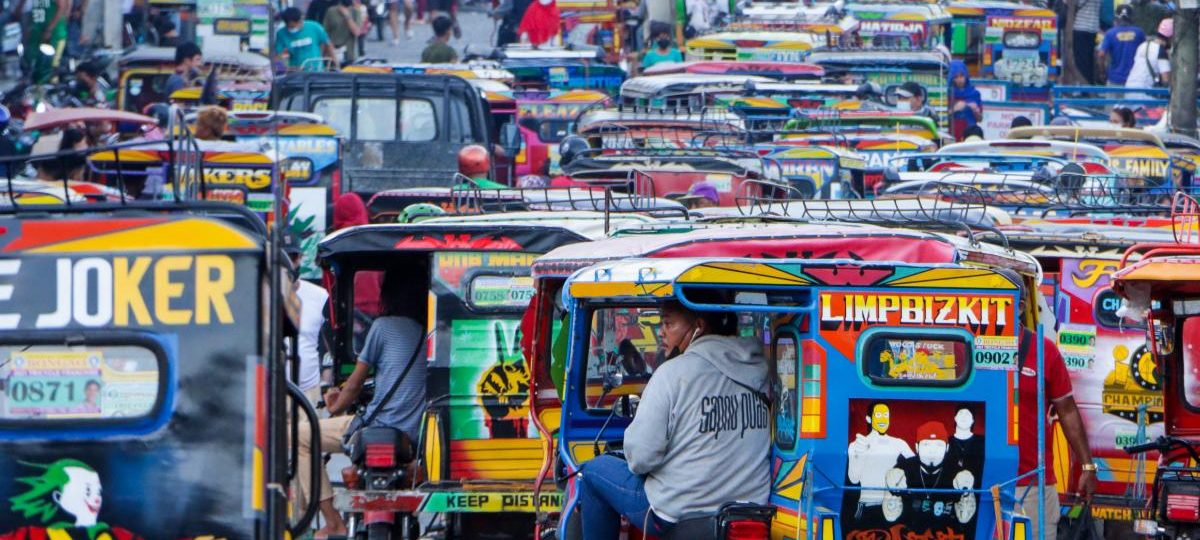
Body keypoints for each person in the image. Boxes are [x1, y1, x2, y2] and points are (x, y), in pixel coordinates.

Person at [576, 297, 770, 539]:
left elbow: (641, 458)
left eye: (668, 324)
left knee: (593, 472)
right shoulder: (761, 370)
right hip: (749, 509)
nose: (661, 332)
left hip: (677, 513)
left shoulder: (672, 373)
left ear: (698, 326)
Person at [297, 272, 427, 539]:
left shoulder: (382, 327)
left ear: (388, 296)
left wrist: (335, 406)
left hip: (378, 427)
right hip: (414, 435)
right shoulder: (431, 333)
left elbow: (355, 384)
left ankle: (333, 523)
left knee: (298, 437)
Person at [1016, 325, 1095, 539]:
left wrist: (1088, 467)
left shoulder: (1044, 350)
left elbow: (1068, 410)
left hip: (1031, 484)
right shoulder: (970, 343)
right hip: (978, 481)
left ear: (1020, 306)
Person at [846, 402, 915, 521]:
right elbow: (854, 478)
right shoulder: (856, 445)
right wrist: (859, 455)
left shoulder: (899, 443)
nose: (883, 419)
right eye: (878, 415)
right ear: (868, 419)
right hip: (867, 507)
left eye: (886, 415)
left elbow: (916, 466)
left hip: (892, 507)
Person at [286, 233, 327, 406]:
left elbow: (329, 344)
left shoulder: (319, 296)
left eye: (292, 257)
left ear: (300, 258)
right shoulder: (262, 292)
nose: (288, 263)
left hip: (309, 392)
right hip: (271, 391)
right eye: (283, 257)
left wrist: (326, 380)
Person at [18, 0, 70, 84]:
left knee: (51, 68)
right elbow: (34, 11)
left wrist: (49, 29)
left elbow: (62, 7)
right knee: (35, 69)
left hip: (54, 35)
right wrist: (29, 27)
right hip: (36, 34)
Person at [274, 7, 338, 72]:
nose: (296, 28)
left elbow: (329, 45)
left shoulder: (315, 27)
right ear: (286, 24)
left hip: (317, 71)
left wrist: (337, 66)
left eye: (298, 24)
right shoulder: (281, 34)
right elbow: (278, 56)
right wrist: (283, 68)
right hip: (296, 73)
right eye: (291, 27)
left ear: (301, 20)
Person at [1098, 5, 1145, 85]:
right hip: (1134, 79)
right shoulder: (1139, 33)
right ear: (1131, 17)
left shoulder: (1110, 33)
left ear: (1117, 17)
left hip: (1114, 79)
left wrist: (1102, 72)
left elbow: (1101, 54)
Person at [1125, 18, 1172, 92]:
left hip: (1129, 87)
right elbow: (1166, 79)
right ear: (1170, 38)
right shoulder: (1161, 51)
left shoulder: (1143, 45)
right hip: (1145, 92)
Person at [949, 60, 982, 142]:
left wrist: (976, 111)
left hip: (970, 134)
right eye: (956, 77)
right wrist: (955, 109)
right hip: (951, 134)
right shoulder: (947, 94)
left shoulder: (974, 94)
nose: (959, 80)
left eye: (962, 76)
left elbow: (980, 119)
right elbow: (941, 118)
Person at [323, 0, 365, 65]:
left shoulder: (356, 12)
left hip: (349, 55)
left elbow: (357, 32)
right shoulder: (331, 11)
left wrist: (347, 15)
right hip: (332, 54)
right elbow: (324, 34)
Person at [1073, 0, 1101, 84]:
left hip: (1081, 27)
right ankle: (1090, 84)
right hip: (1093, 28)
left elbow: (1075, 4)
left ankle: (1084, 86)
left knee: (1081, 61)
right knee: (1089, 60)